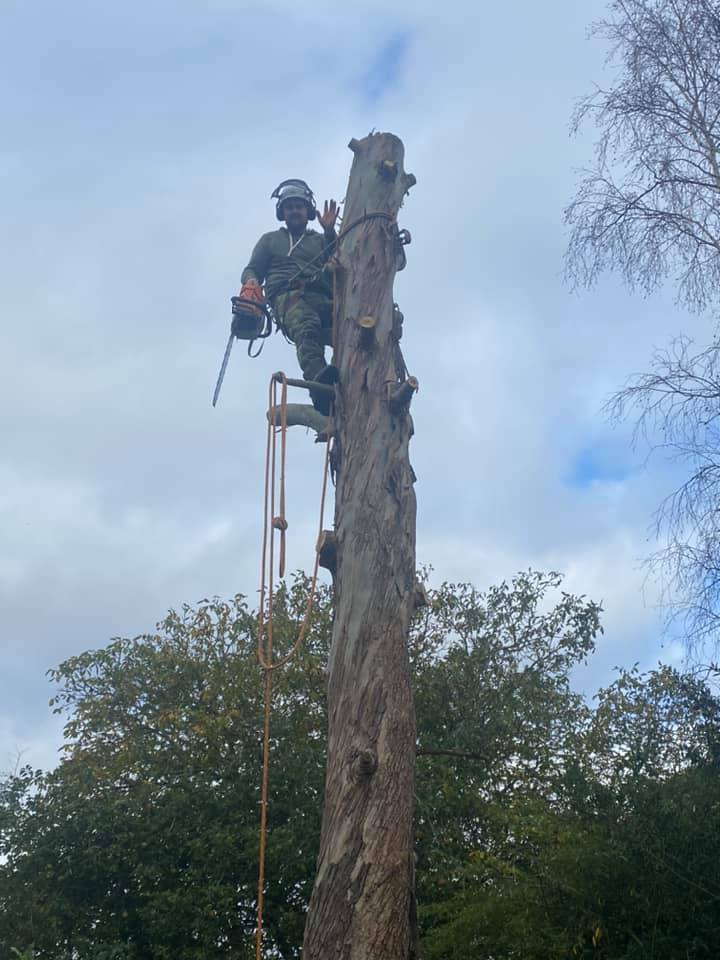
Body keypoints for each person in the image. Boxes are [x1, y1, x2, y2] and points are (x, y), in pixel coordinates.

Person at [236, 179, 340, 414]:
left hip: (321, 295)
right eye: (289, 207)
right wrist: (251, 282)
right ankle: (319, 385)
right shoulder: (270, 240)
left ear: (308, 211)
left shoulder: (319, 240)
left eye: (299, 206)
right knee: (306, 326)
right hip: (287, 296)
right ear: (282, 212)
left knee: (350, 325)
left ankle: (347, 379)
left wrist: (330, 231)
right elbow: (252, 268)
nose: (294, 211)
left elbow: (339, 259)